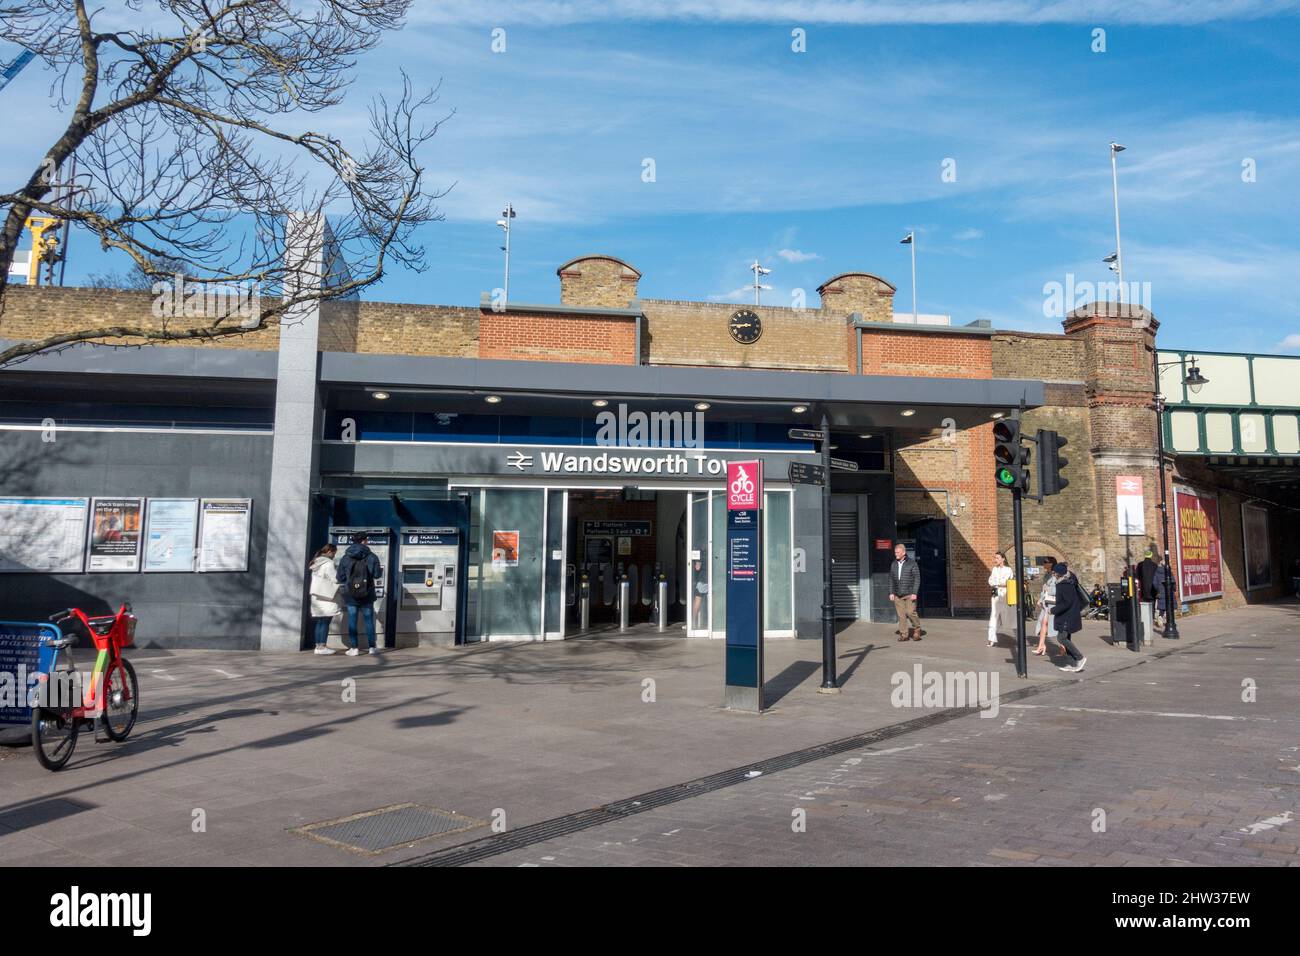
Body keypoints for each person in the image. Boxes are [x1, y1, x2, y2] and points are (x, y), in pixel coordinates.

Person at [337, 532, 383, 657]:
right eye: (367, 539)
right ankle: (372, 647)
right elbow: (377, 574)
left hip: (351, 594)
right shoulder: (372, 556)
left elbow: (339, 577)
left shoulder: (345, 557)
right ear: (364, 541)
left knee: (352, 620)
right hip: (367, 593)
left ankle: (354, 648)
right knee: (369, 621)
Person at [1050, 562, 1086, 673]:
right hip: (1069, 614)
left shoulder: (1064, 585)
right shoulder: (1068, 581)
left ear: (1059, 573)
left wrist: (1053, 610)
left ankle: (1079, 658)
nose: (1053, 574)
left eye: (1054, 572)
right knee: (1066, 638)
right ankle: (1072, 662)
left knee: (1061, 638)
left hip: (1067, 616)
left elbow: (1066, 602)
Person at [307, 544, 340, 655]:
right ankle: (323, 647)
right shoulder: (328, 564)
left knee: (320, 621)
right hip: (326, 596)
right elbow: (335, 579)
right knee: (325, 621)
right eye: (334, 553)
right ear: (330, 551)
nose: (334, 556)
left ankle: (318, 646)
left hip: (317, 596)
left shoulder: (316, 562)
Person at [889, 542, 922, 642]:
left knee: (911, 612)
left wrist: (914, 593)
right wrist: (891, 592)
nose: (896, 554)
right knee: (901, 615)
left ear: (904, 552)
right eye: (895, 552)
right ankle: (904, 634)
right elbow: (891, 579)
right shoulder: (894, 564)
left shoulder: (912, 563)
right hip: (897, 595)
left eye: (898, 552)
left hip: (909, 594)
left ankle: (917, 630)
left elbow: (917, 579)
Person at [987, 551, 1014, 647]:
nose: (995, 560)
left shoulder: (1008, 570)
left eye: (997, 558)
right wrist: (997, 583)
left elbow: (1006, 581)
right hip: (995, 594)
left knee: (1007, 617)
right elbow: (990, 580)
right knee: (993, 615)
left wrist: (997, 583)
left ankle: (1018, 635)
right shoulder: (994, 569)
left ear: (1003, 559)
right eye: (995, 558)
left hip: (1005, 595)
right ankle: (991, 638)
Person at [1033, 556, 1058, 656]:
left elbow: (1057, 590)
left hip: (1053, 604)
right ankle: (1041, 646)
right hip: (1046, 603)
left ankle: (1063, 647)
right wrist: (1040, 600)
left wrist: (1048, 589)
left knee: (1053, 625)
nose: (1043, 564)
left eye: (1045, 562)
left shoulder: (1056, 575)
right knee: (1043, 623)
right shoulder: (1046, 575)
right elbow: (1043, 590)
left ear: (1051, 564)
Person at [1136, 547, 1158, 644]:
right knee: (1152, 604)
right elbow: (1156, 577)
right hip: (1152, 588)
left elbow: (1137, 576)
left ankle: (1144, 619)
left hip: (1144, 588)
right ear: (1151, 555)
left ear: (1145, 555)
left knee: (1144, 603)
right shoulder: (1154, 565)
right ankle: (1151, 618)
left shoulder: (1140, 565)